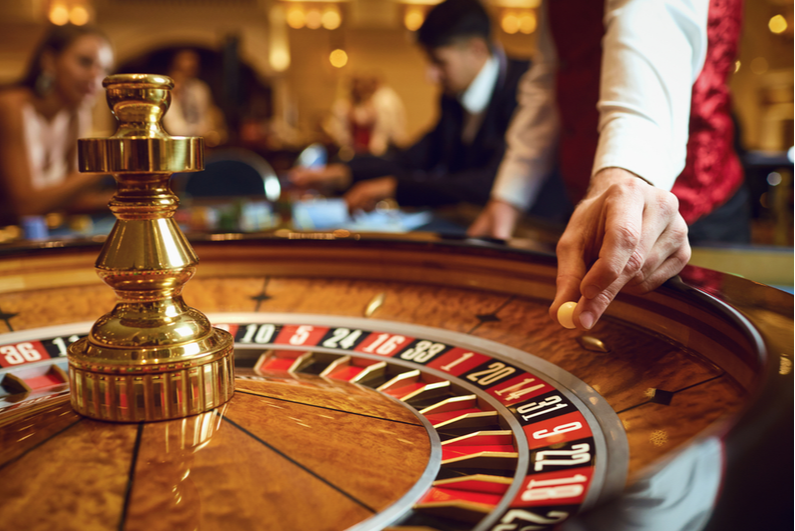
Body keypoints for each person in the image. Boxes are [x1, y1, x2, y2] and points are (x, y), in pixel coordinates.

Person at [468, 0, 747, 331]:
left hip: (697, 208)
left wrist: (626, 175)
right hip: (593, 200)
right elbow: (552, 74)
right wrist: (508, 197)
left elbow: (653, 19)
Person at [290, 0, 531, 213]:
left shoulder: (527, 89)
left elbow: (492, 184)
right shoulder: (452, 97)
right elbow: (413, 158)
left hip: (534, 233)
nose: (431, 76)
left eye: (439, 62)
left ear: (476, 49)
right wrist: (345, 173)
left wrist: (393, 188)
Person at [0, 23, 114, 226]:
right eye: (85, 62)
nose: (96, 77)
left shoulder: (77, 114)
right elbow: (25, 206)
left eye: (104, 69)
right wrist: (108, 163)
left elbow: (68, 198)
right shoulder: (11, 106)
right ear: (49, 61)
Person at [325, 73, 408, 159]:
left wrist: (377, 146)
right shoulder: (343, 106)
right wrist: (348, 144)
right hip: (352, 151)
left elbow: (382, 128)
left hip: (373, 151)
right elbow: (339, 131)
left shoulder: (377, 104)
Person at [163, 49, 222, 140]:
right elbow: (174, 125)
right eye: (184, 68)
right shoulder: (169, 88)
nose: (188, 71)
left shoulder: (200, 88)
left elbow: (207, 114)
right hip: (175, 137)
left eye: (191, 67)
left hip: (201, 136)